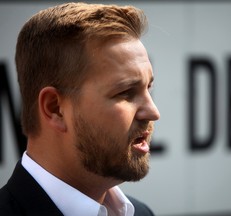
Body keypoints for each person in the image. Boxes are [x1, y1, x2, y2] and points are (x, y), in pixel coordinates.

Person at [0, 2, 160, 216]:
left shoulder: (141, 212)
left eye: (148, 87)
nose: (153, 112)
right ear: (55, 108)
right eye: (126, 92)